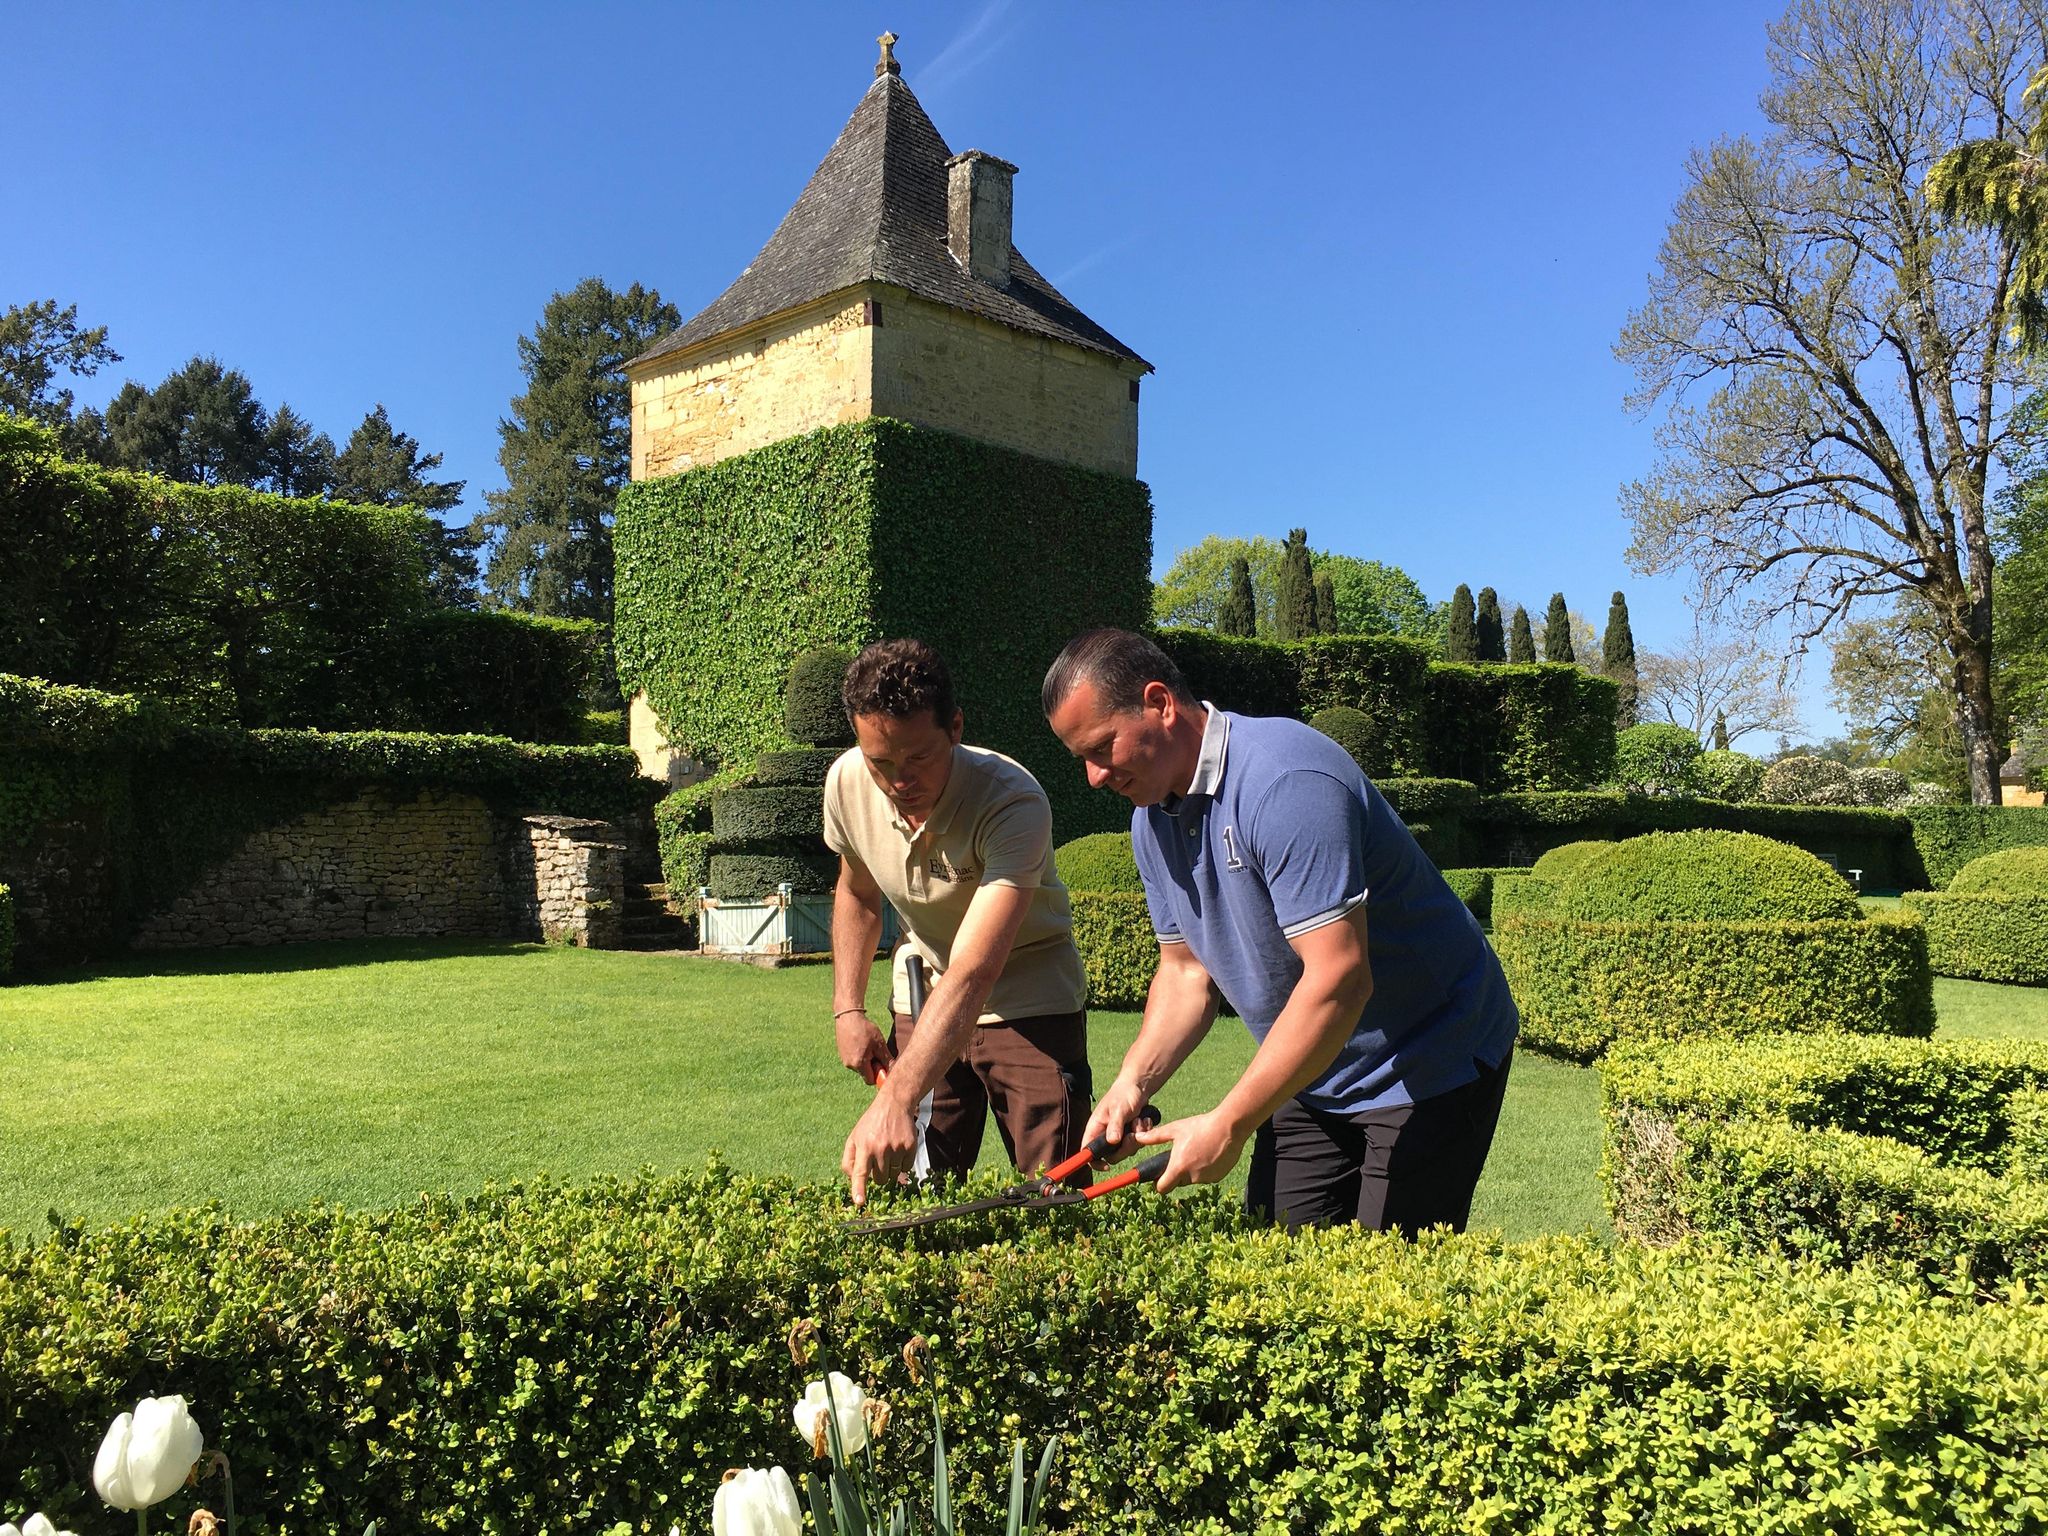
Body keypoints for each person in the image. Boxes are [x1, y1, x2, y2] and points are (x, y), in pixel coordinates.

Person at [1041, 628, 1518, 1233]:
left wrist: (1229, 1124)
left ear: (1160, 704)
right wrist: (1130, 1084)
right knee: (1281, 1265)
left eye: (1102, 747)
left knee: (1388, 1300)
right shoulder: (1150, 823)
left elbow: (1340, 977)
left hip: (1428, 1057)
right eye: (1080, 756)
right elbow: (1186, 973)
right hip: (1313, 1065)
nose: (1092, 776)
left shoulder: (1284, 780)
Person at [828, 638, 1093, 1205]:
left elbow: (975, 971)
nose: (899, 781)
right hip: (922, 993)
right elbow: (856, 894)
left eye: (918, 757)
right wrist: (848, 1007)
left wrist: (896, 1097)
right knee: (913, 1187)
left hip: (1029, 1000)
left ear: (955, 727)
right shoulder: (848, 781)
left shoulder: (1011, 801)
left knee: (1056, 1197)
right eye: (881, 762)